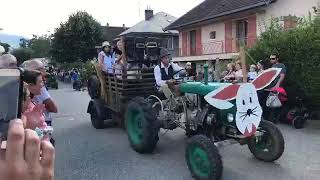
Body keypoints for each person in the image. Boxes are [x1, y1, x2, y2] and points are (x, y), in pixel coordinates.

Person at [22, 60, 58, 127]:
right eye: (42, 68)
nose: (44, 70)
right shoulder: (27, 100)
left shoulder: (29, 96)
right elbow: (54, 108)